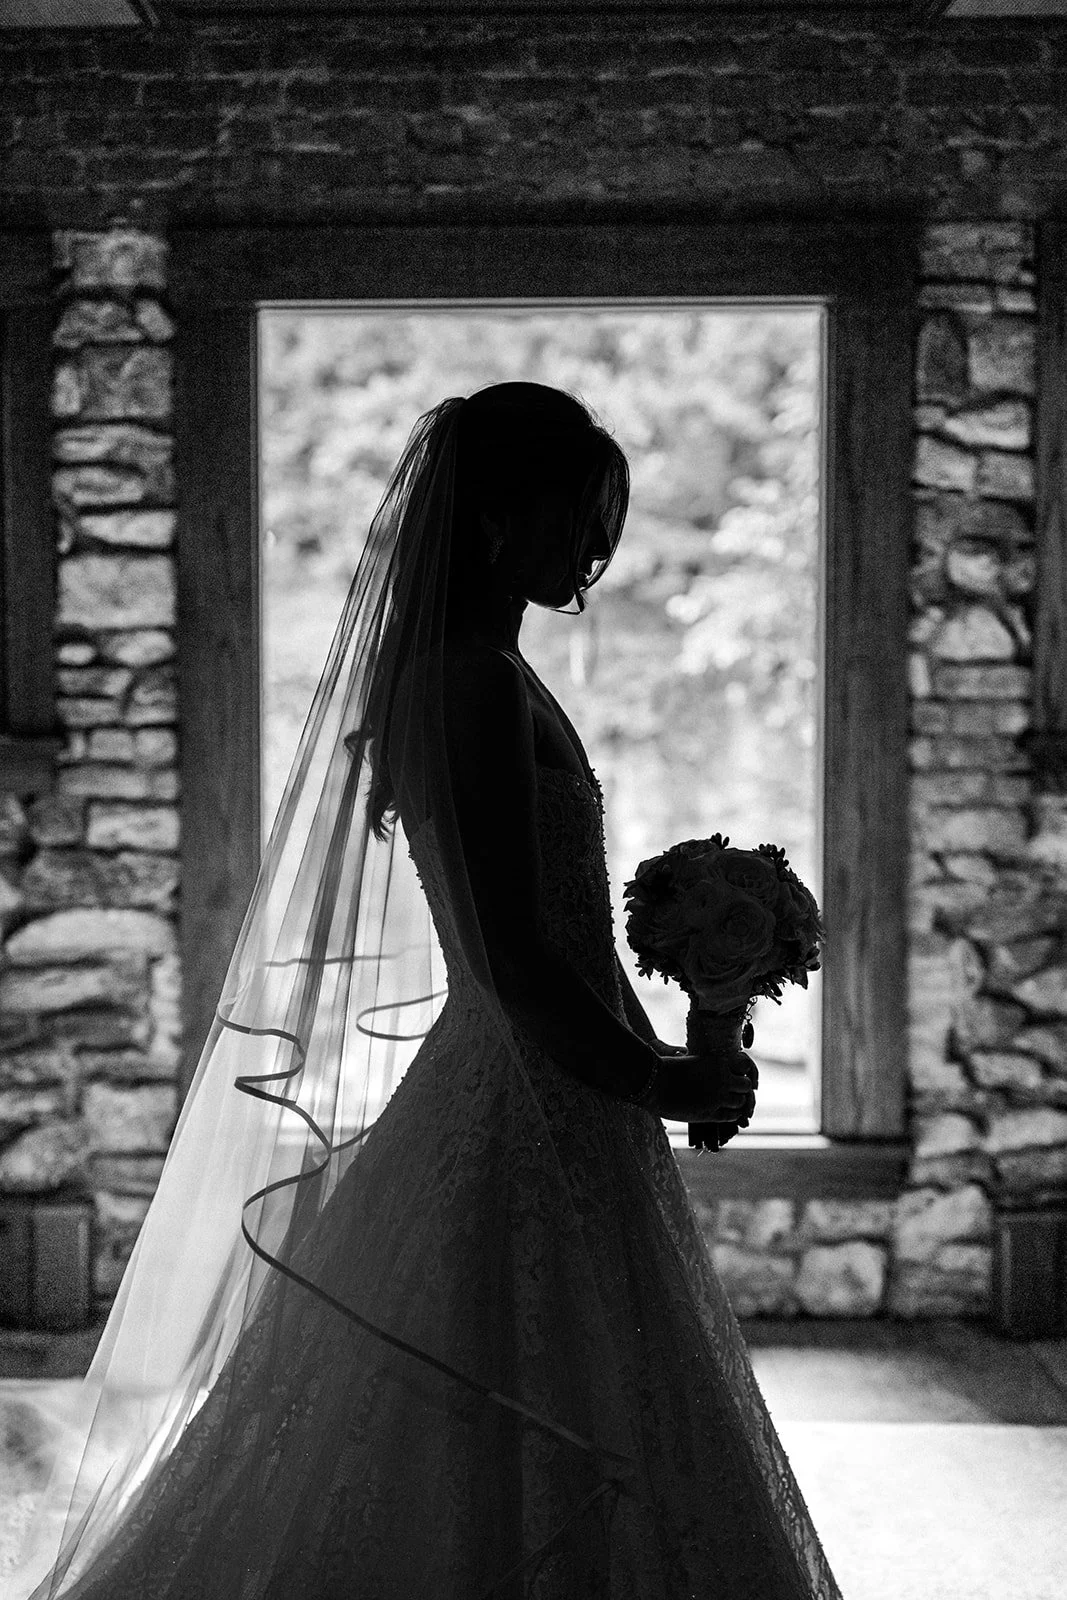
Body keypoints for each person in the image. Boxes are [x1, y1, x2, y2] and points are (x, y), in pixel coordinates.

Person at [8, 382, 841, 1599]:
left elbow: (549, 942)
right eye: (576, 514)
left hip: (555, 1083)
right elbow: (509, 958)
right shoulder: (470, 682)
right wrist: (649, 1073)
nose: (595, 546)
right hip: (528, 1092)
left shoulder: (487, 668)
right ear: (497, 516)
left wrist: (667, 1044)